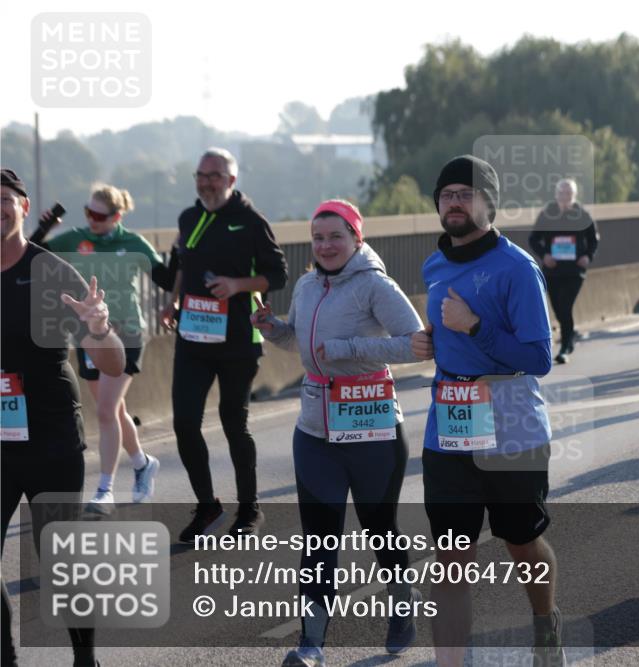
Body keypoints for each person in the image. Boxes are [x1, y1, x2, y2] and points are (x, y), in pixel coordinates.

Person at [252, 200, 424, 665]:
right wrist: (272, 328)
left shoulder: (375, 285)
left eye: (336, 236)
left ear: (357, 239)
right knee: (318, 541)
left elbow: (418, 343)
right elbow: (303, 344)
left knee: (379, 529)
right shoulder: (308, 285)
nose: (326, 246)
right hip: (315, 432)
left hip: (372, 430)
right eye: (318, 238)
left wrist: (350, 348)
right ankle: (310, 646)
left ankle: (402, 603)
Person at [411, 155, 562, 667]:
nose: (455, 202)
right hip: (450, 427)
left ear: (489, 204)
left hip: (513, 427)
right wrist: (435, 339)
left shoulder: (517, 268)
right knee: (451, 562)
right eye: (447, 193)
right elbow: (447, 328)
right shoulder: (434, 266)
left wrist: (475, 326)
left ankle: (545, 624)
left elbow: (539, 357)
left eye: (466, 193)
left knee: (522, 543)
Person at [2, 167, 126, 667]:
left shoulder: (51, 273)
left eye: (4, 199)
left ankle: (84, 660)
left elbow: (114, 362)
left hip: (51, 440)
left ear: (24, 207)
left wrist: (98, 327)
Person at [161, 148, 288, 542]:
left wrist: (237, 285)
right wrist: (174, 300)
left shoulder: (250, 221)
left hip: (238, 340)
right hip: (193, 337)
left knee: (235, 424)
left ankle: (249, 509)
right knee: (184, 423)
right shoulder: (190, 217)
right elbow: (182, 264)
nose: (207, 181)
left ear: (232, 181)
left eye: (215, 175)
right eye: (201, 174)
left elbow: (277, 274)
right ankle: (207, 505)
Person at [36, 183, 170, 514]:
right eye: (88, 212)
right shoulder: (75, 240)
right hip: (89, 337)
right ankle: (141, 463)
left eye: (100, 215)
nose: (92, 220)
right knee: (115, 409)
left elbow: (166, 278)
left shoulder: (133, 242)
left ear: (117, 216)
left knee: (107, 410)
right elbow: (31, 253)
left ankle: (104, 489)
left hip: (127, 334)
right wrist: (45, 226)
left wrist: (183, 258)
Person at [528, 178, 599, 364]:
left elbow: (594, 239)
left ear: (574, 196)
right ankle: (570, 336)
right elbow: (534, 239)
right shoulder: (547, 214)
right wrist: (544, 255)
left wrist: (587, 257)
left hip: (574, 271)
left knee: (566, 307)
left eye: (568, 193)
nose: (564, 196)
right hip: (552, 270)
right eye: (561, 193)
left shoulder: (582, 215)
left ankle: (566, 346)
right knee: (558, 309)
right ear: (556, 194)